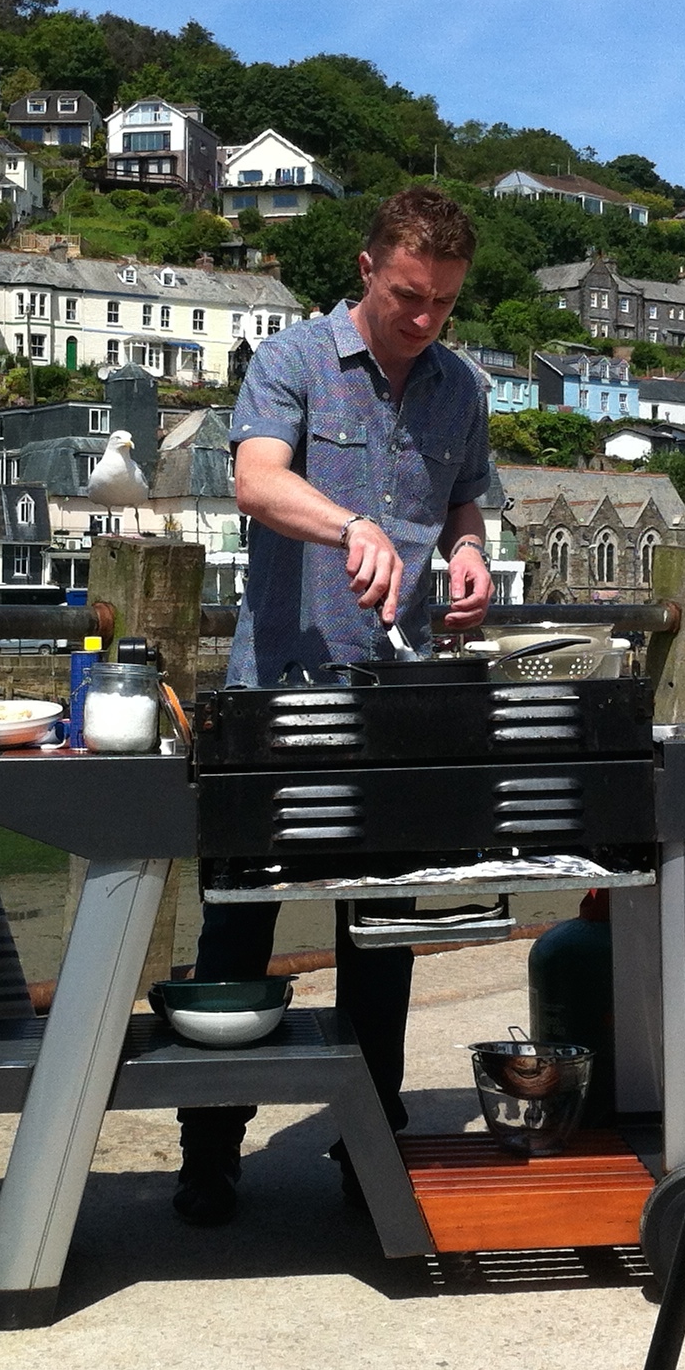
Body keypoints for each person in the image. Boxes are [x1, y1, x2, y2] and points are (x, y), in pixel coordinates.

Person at [174, 184, 499, 1226]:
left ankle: (370, 1143)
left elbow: (464, 501)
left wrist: (467, 553)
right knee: (238, 924)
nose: (424, 319)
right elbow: (258, 482)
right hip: (276, 688)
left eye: (443, 302)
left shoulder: (464, 388)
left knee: (382, 931)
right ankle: (208, 1149)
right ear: (368, 268)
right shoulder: (292, 360)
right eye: (409, 295)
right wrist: (348, 524)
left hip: (397, 694)